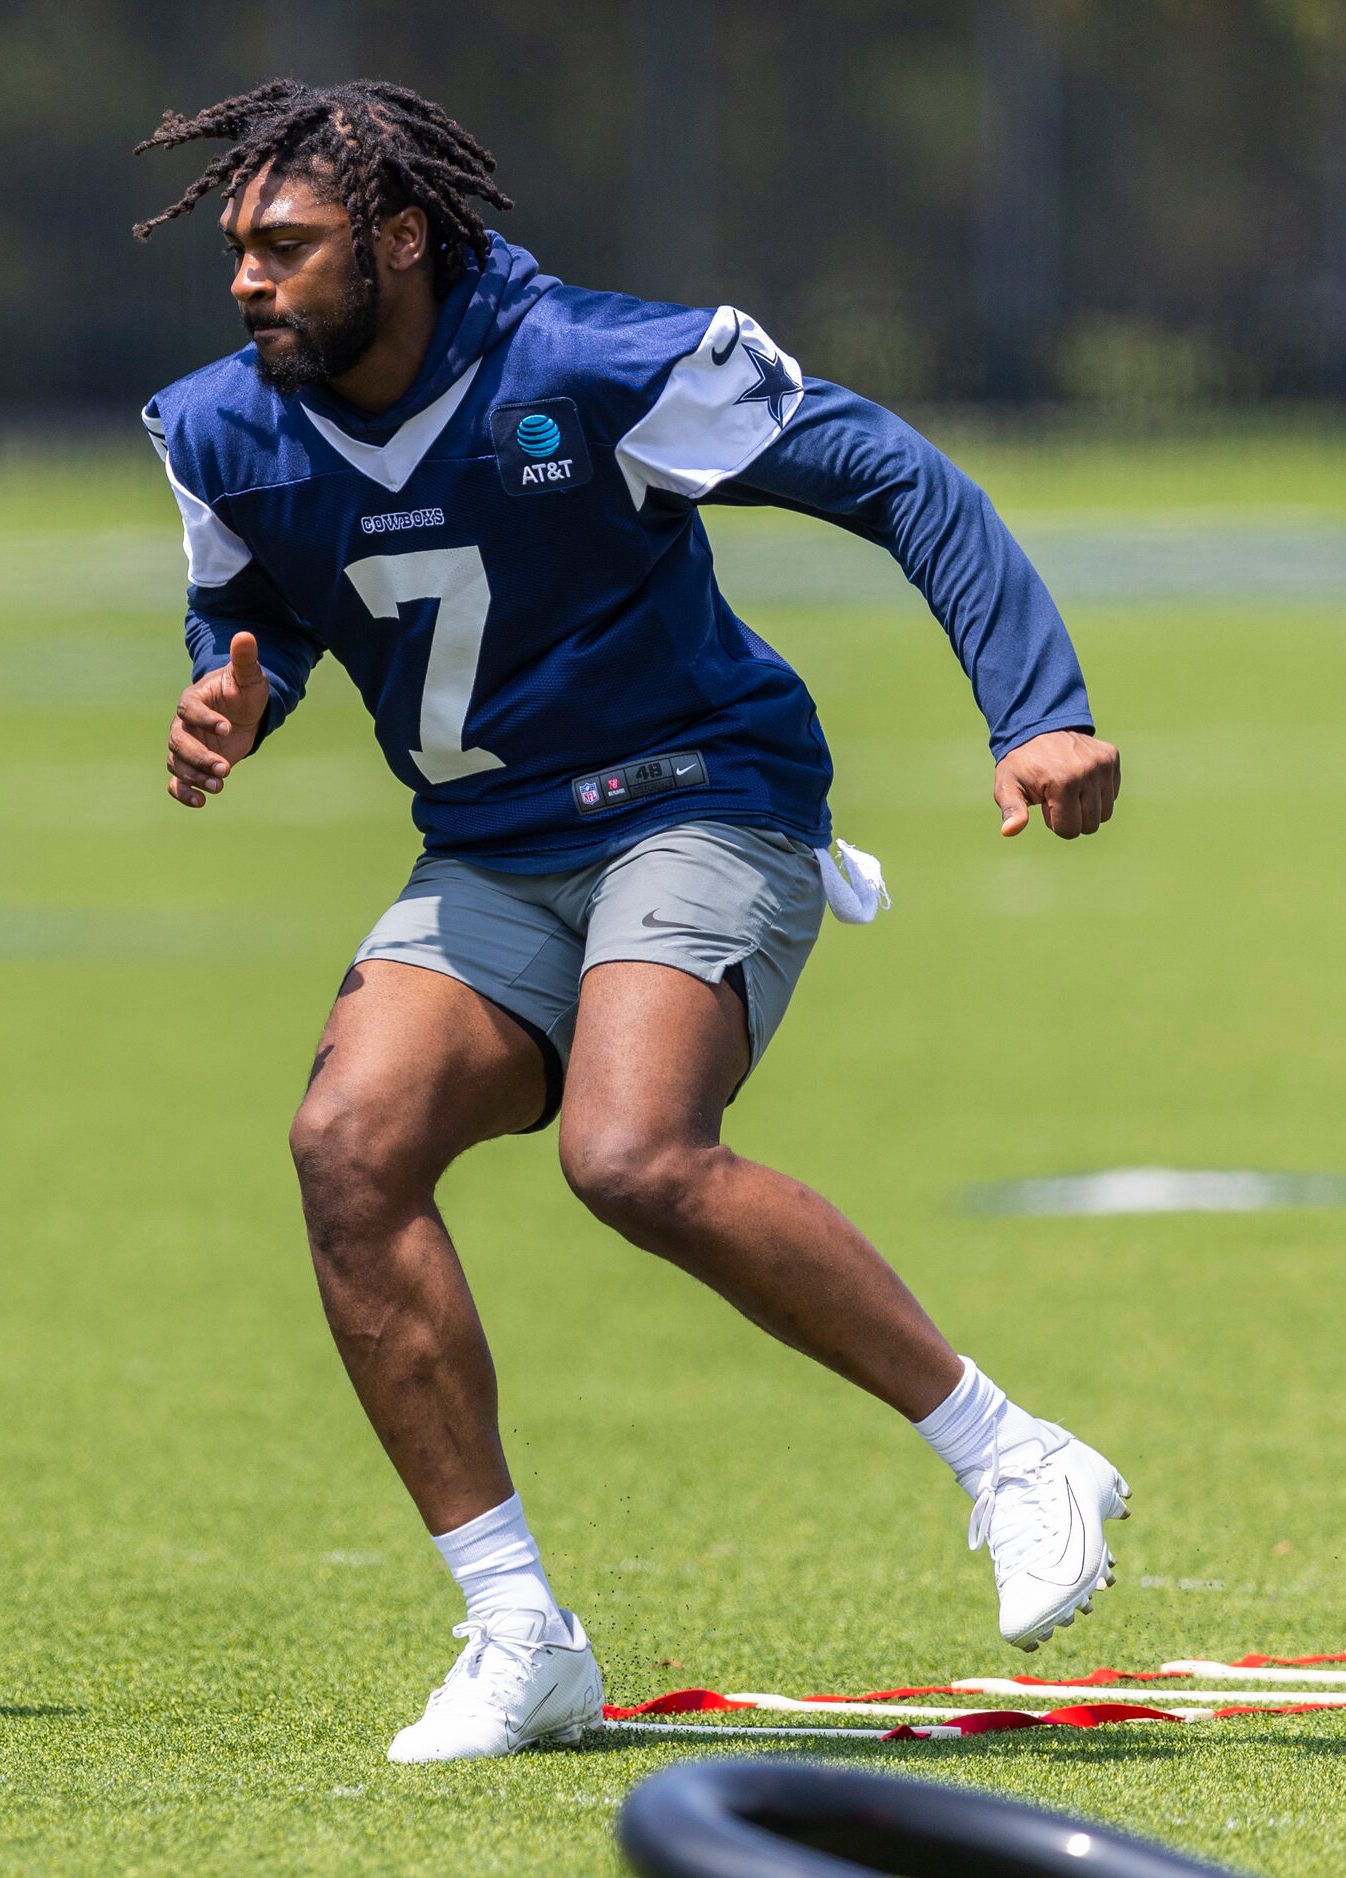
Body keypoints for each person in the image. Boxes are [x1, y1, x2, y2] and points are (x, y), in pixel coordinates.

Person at [134, 79, 1128, 1766]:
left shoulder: (587, 364)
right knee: (348, 1146)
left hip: (698, 792)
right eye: (238, 248)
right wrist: (232, 699)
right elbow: (262, 609)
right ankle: (520, 1631)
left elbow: (887, 470)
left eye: (286, 246)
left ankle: (1013, 1452)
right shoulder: (223, 425)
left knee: (630, 1151)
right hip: (490, 840)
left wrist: (1034, 707)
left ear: (398, 239)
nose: (247, 280)